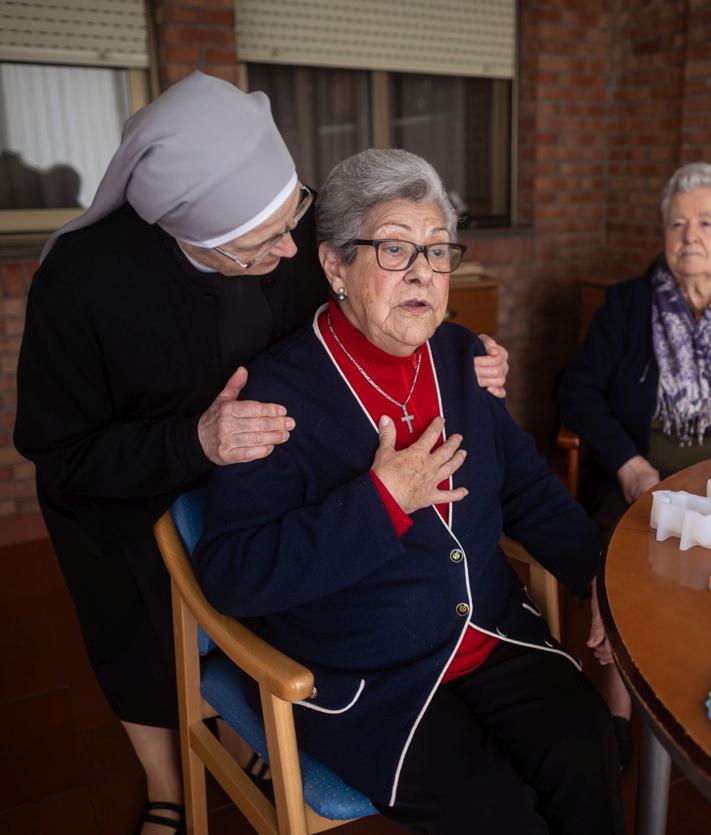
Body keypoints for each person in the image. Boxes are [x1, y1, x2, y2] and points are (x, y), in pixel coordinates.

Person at [13, 74, 508, 835]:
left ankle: (251, 738)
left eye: (293, 220)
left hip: (274, 476)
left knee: (284, 588)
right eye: (259, 246)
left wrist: (464, 353)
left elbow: (375, 299)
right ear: (191, 236)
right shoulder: (79, 287)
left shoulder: (283, 228)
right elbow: (60, 452)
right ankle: (165, 783)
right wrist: (195, 439)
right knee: (139, 644)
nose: (290, 249)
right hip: (127, 495)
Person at [193, 148, 624, 835]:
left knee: (589, 751)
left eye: (437, 250)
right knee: (500, 816)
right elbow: (232, 574)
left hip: (489, 633)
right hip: (366, 679)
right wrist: (380, 500)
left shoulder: (462, 358)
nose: (423, 271)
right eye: (394, 249)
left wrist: (598, 576)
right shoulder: (275, 395)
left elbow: (524, 487)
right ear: (334, 264)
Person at [558, 160, 711, 769]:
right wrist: (627, 463)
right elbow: (578, 391)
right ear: (663, 234)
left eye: (705, 222)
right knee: (640, 576)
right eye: (677, 224)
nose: (690, 236)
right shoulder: (627, 306)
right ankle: (621, 715)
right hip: (643, 482)